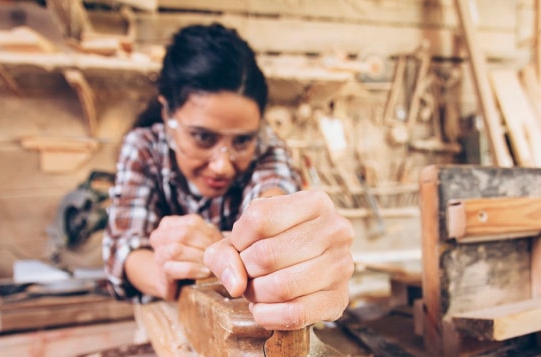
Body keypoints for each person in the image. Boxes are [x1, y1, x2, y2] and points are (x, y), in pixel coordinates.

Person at [102, 23, 355, 331]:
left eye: (241, 141)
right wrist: (165, 272)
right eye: (203, 137)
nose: (222, 165)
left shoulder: (268, 147)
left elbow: (271, 198)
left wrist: (282, 238)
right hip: (167, 319)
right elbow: (123, 251)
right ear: (168, 115)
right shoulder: (143, 148)